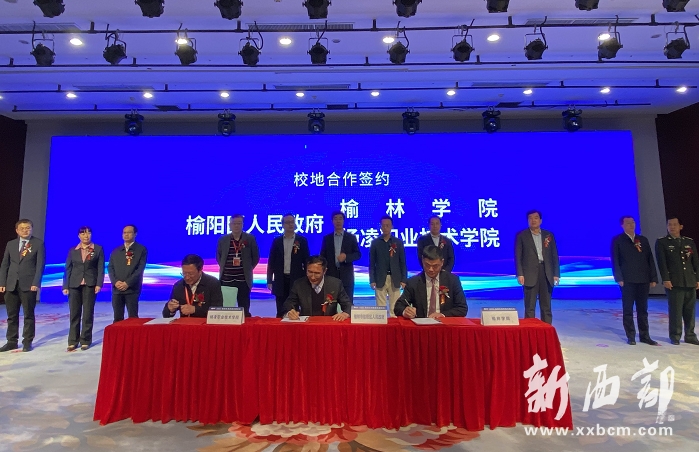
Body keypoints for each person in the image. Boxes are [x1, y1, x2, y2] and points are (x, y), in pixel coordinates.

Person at [611, 216, 659, 345]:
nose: (631, 225)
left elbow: (650, 259)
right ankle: (631, 335)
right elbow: (615, 260)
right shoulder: (618, 240)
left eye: (633, 222)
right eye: (628, 223)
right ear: (622, 225)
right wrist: (619, 277)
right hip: (627, 280)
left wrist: (653, 278)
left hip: (643, 279)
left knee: (643, 309)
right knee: (628, 309)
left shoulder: (642, 240)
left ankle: (645, 335)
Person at [0, 219, 46, 352]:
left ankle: (27, 341)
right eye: (22, 228)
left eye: (28, 228)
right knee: (12, 315)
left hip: (28, 285)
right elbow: (5, 264)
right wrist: (2, 282)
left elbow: (40, 265)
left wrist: (36, 282)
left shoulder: (38, 243)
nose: (25, 230)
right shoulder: (11, 244)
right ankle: (11, 341)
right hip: (11, 284)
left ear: (31, 229)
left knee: (28, 314)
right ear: (17, 230)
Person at [655, 216, 699, 345]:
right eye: (669, 224)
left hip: (689, 280)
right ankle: (675, 335)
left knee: (690, 310)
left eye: (674, 224)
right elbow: (662, 263)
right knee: (676, 310)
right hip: (674, 281)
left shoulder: (688, 241)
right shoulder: (662, 242)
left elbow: (695, 261)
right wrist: (666, 279)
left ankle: (690, 335)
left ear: (681, 226)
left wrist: (697, 278)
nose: (672, 227)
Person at [62, 226, 105, 351]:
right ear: (79, 236)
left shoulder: (98, 249)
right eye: (83, 234)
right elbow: (68, 268)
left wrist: (99, 284)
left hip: (90, 284)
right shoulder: (73, 250)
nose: (86, 236)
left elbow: (100, 268)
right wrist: (65, 285)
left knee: (87, 313)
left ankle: (85, 340)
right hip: (74, 285)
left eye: (88, 233)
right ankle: (72, 341)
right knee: (74, 313)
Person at [395, 245, 467, 318]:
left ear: (442, 262)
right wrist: (405, 311)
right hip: (422, 323)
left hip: (444, 323)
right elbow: (398, 307)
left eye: (435, 266)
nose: (431, 269)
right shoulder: (413, 282)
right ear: (422, 260)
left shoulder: (452, 280)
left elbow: (462, 308)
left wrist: (442, 315)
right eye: (427, 265)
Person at [515, 210, 560, 324]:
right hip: (529, 274)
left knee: (546, 307)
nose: (533, 220)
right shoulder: (522, 235)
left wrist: (556, 274)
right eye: (530, 218)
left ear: (540, 220)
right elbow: (518, 256)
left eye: (536, 218)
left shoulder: (548, 235)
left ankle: (546, 330)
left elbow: (554, 255)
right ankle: (530, 331)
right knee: (530, 307)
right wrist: (520, 274)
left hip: (546, 272)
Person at [267, 213, 310, 318]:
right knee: (280, 308)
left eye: (292, 222)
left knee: (295, 308)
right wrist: (269, 280)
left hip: (296, 279)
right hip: (280, 279)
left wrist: (307, 279)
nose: (290, 224)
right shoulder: (277, 241)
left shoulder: (302, 241)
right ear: (282, 225)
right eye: (287, 222)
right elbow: (271, 262)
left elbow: (307, 261)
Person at [283, 255, 352, 321]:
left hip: (328, 324)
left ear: (324, 271)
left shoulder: (335, 284)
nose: (313, 277)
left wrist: (345, 314)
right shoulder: (299, 284)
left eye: (317, 273)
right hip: (307, 325)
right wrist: (290, 312)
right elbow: (289, 304)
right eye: (310, 272)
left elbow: (348, 304)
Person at [216, 214, 260, 317]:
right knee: (226, 309)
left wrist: (248, 269)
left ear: (243, 225)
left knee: (244, 310)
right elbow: (219, 257)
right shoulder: (223, 240)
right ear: (229, 225)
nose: (236, 226)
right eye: (234, 223)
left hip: (243, 280)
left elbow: (255, 257)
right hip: (226, 280)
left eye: (239, 223)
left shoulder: (250, 238)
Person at [108, 224, 147, 323]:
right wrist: (115, 282)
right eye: (124, 233)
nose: (126, 235)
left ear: (135, 234)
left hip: (132, 289)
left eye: (129, 232)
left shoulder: (141, 249)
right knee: (117, 318)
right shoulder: (116, 250)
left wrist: (127, 283)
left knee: (133, 318)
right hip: (117, 290)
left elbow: (140, 269)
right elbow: (110, 268)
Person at [163, 254, 223, 318]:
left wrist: (195, 310)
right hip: (185, 323)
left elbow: (217, 310)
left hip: (205, 323)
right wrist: (170, 309)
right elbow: (166, 315)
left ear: (200, 270)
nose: (187, 277)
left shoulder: (212, 283)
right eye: (184, 273)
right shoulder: (179, 286)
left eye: (191, 274)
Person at [369, 215, 407, 317]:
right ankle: (381, 324)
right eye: (383, 225)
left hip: (395, 278)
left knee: (395, 307)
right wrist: (372, 280)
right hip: (380, 278)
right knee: (380, 307)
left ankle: (394, 325)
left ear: (392, 227)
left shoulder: (398, 242)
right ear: (380, 227)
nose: (385, 227)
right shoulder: (375, 243)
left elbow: (402, 262)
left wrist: (404, 279)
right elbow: (372, 263)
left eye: (388, 225)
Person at [319, 211, 361, 303]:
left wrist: (346, 257)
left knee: (347, 302)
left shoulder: (351, 237)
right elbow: (322, 256)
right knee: (330, 302)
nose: (338, 221)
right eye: (335, 219)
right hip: (331, 275)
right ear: (332, 221)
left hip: (346, 275)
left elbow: (357, 254)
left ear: (343, 221)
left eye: (340, 219)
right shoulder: (327, 238)